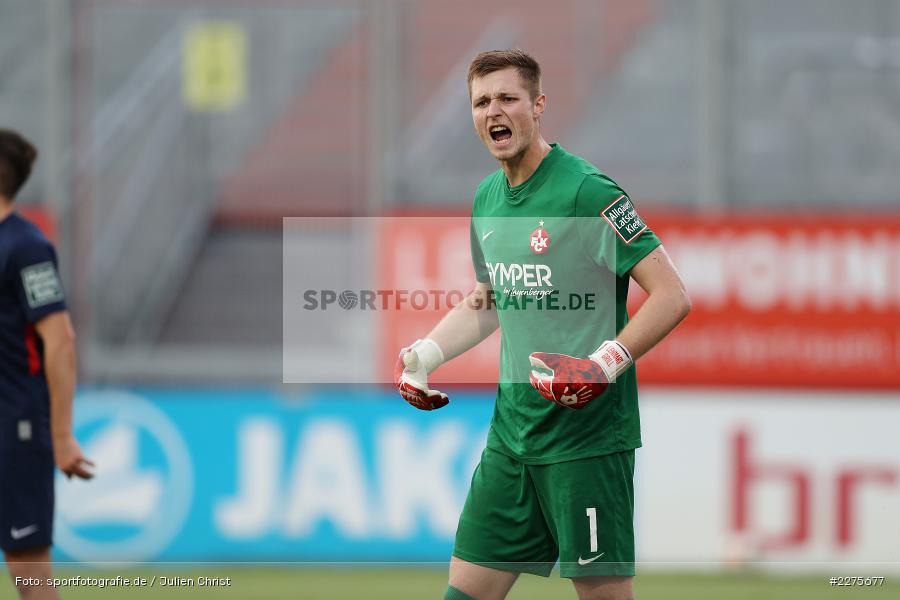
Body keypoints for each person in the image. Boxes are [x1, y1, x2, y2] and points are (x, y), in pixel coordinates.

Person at [394, 50, 691, 600]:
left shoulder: (588, 191)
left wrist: (602, 366)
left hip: (586, 441)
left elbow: (672, 296)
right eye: (481, 102)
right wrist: (427, 355)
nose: (493, 112)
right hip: (511, 439)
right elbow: (490, 301)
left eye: (508, 98)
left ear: (538, 105)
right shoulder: (486, 198)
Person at [0, 129, 94, 599]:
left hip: (14, 429)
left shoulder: (26, 248)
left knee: (28, 569)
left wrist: (61, 436)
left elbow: (59, 341)